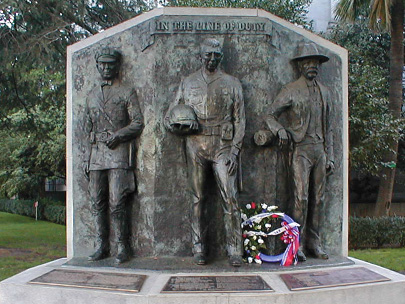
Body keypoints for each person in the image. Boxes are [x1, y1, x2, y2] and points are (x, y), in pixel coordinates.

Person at [165, 38, 246, 267]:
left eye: (216, 55)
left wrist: (235, 152)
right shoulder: (187, 82)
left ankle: (234, 250)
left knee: (230, 198)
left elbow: (240, 121)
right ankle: (199, 248)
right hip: (196, 145)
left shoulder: (232, 83)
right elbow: (170, 115)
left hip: (223, 146)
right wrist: (175, 125)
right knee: (198, 198)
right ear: (200, 57)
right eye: (208, 55)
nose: (212, 59)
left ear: (221, 57)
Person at [266, 42, 334, 261]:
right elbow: (269, 115)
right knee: (301, 197)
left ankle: (315, 241)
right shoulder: (291, 90)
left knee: (319, 199)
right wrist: (280, 131)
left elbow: (329, 127)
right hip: (300, 149)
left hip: (319, 149)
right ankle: (297, 242)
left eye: (315, 62)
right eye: (307, 62)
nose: (312, 66)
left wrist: (330, 155)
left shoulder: (325, 92)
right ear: (300, 66)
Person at [84, 47, 143, 264]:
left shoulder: (127, 91)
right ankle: (101, 245)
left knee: (117, 201)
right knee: (97, 201)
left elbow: (137, 122)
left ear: (117, 66)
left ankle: (122, 246)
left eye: (110, 64)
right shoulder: (91, 95)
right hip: (96, 153)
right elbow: (86, 128)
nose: (107, 68)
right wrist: (85, 158)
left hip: (118, 152)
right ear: (98, 66)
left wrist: (119, 136)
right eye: (103, 64)